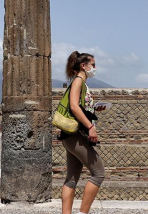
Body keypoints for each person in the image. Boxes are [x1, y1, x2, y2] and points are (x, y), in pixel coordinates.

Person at [59, 51, 105, 214]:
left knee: (71, 179)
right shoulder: (78, 81)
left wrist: (94, 108)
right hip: (76, 136)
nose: (95, 67)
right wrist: (91, 127)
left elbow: (80, 107)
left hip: (71, 137)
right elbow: (73, 107)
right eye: (93, 64)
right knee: (98, 174)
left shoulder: (81, 83)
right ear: (83, 66)